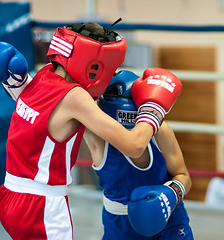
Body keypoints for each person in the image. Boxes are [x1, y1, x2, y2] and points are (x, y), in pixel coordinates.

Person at [0, 21, 182, 240]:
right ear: (95, 65)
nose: (111, 75)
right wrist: (153, 109)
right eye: (110, 68)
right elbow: (134, 145)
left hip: (10, 195)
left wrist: (17, 83)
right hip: (40, 206)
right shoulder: (75, 97)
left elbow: (42, 114)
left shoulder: (44, 75)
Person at [83, 70, 194, 239]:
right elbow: (69, 100)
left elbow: (183, 175)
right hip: (120, 225)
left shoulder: (160, 130)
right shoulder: (96, 135)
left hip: (169, 218)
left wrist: (170, 195)